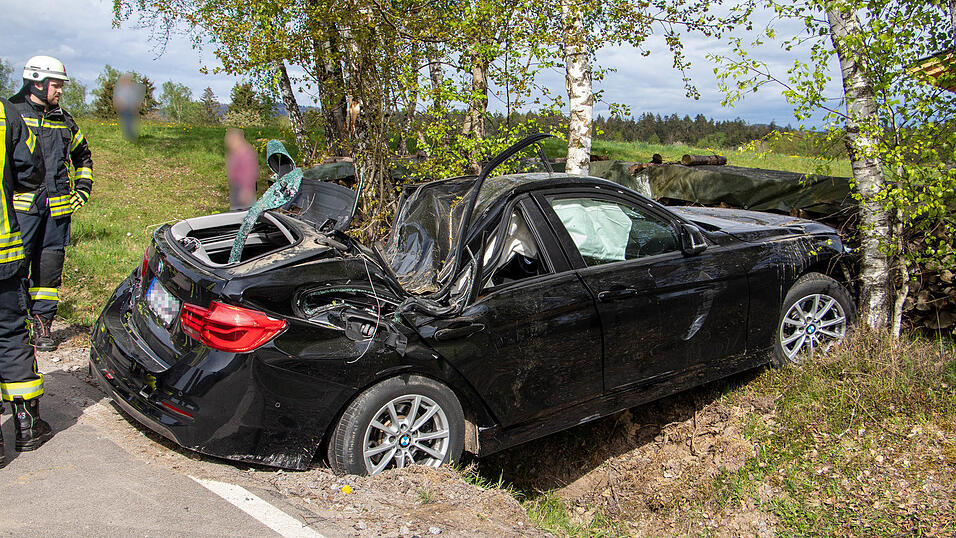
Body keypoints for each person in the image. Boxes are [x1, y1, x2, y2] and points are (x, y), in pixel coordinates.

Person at [9, 56, 94, 351]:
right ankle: (14, 328)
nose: (60, 92)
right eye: (56, 86)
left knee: (48, 273)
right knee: (15, 269)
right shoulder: (12, 114)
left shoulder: (65, 120)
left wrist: (83, 188)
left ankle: (43, 326)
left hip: (57, 212)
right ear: (37, 82)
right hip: (21, 210)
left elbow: (83, 156)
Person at [0, 96, 53, 467]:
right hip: (2, 252)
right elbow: (31, 171)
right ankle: (27, 425)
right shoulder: (7, 114)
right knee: (11, 334)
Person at [225, 128, 258, 210]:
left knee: (243, 214)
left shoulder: (245, 153)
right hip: (236, 187)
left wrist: (246, 189)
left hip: (244, 188)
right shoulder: (236, 152)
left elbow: (249, 173)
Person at [113, 73, 144, 141]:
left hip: (130, 108)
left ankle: (130, 136)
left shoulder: (131, 90)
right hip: (124, 108)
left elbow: (134, 99)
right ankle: (129, 137)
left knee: (130, 122)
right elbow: (118, 98)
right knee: (126, 123)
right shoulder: (121, 89)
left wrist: (135, 107)